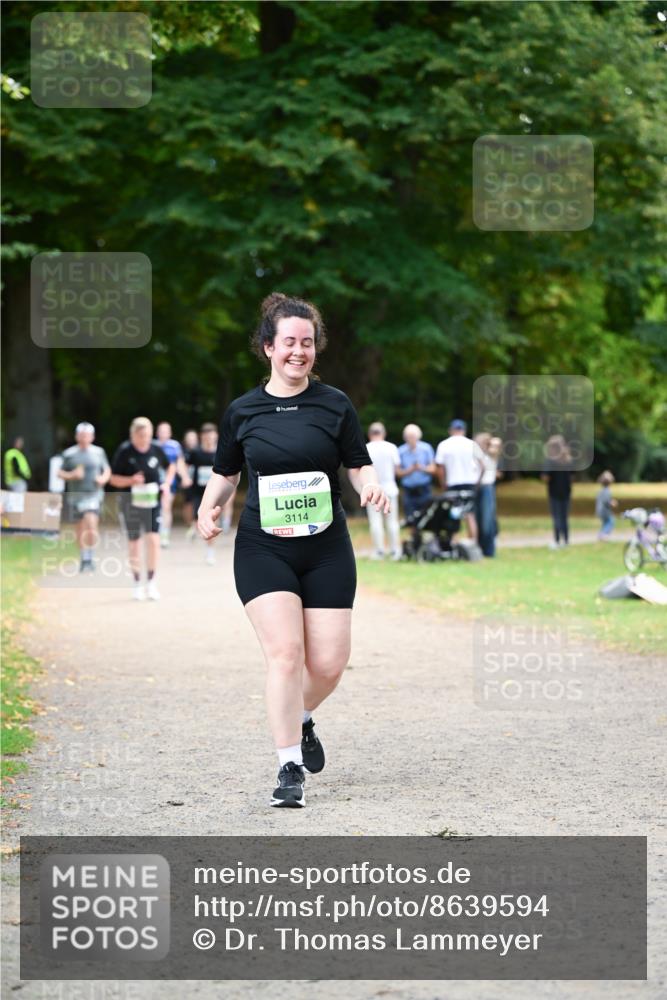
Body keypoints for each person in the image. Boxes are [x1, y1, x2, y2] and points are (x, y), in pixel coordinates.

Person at [197, 292, 389, 808]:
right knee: (286, 654)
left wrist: (370, 484)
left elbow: (357, 462)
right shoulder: (243, 410)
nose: (298, 351)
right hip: (264, 548)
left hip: (326, 548)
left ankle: (300, 716)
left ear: (315, 348)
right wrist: (208, 507)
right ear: (268, 347)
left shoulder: (335, 404)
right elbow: (226, 473)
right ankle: (288, 767)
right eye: (288, 342)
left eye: (307, 343)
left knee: (328, 664)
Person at [110, 417, 176, 600]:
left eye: (147, 435)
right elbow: (113, 479)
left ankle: (151, 582)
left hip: (152, 502)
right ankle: (137, 583)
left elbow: (171, 466)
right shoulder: (125, 451)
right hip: (130, 503)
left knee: (154, 540)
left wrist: (166, 484)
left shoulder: (156, 449)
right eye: (140, 436)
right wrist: (130, 480)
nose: (144, 439)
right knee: (135, 543)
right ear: (133, 435)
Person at [58, 422, 111, 572]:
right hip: (75, 496)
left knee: (91, 524)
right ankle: (84, 558)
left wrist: (102, 479)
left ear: (92, 437)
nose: (84, 438)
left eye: (87, 435)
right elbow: (59, 473)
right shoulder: (69, 454)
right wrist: (72, 475)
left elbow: (107, 470)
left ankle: (90, 556)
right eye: (81, 435)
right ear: (77, 436)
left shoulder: (98, 452)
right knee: (80, 527)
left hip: (93, 495)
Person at [434, 419, 485, 543]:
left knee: (453, 514)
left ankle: (453, 542)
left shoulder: (444, 445)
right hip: (470, 483)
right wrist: (478, 482)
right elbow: (483, 466)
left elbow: (440, 468)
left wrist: (443, 484)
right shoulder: (472, 444)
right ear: (464, 431)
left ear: (450, 430)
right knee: (470, 514)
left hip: (452, 483)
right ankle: (473, 542)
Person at [365, 421, 401, 560]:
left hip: (373, 489)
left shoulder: (367, 448)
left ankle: (379, 551)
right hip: (389, 488)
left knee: (375, 522)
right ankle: (394, 550)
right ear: (384, 433)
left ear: (369, 434)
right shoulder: (391, 447)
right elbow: (397, 469)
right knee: (392, 521)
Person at [155, 421, 191, 548]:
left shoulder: (174, 446)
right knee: (155, 508)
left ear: (169, 433)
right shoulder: (152, 445)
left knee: (165, 507)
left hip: (170, 482)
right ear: (157, 433)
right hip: (153, 482)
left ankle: (164, 535)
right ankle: (154, 533)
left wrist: (185, 477)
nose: (163, 434)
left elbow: (180, 462)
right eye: (161, 431)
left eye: (166, 431)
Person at [190, 423, 220, 565]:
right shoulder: (196, 453)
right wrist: (186, 477)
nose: (209, 438)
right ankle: (195, 528)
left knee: (212, 520)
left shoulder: (220, 452)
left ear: (216, 436)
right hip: (198, 493)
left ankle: (210, 551)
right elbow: (184, 463)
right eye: (206, 436)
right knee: (198, 520)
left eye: (211, 436)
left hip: (214, 493)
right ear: (202, 437)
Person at [396, 424, 435, 520]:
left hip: (424, 488)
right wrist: (410, 470)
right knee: (410, 516)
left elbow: (433, 469)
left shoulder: (426, 448)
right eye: (408, 436)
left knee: (426, 515)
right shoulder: (400, 451)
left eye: (413, 436)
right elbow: (398, 472)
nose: (411, 439)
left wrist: (421, 468)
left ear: (418, 436)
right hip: (408, 489)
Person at [541, 435, 573, 550]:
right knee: (564, 517)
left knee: (556, 517)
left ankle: (557, 541)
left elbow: (545, 477)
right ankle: (566, 541)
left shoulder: (550, 461)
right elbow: (572, 476)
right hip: (566, 492)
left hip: (554, 492)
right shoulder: (568, 460)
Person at [474, 432, 502, 558]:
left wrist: (489, 442)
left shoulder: (491, 454)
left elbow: (497, 443)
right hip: (477, 487)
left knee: (487, 519)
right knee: (478, 518)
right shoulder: (477, 455)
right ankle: (479, 547)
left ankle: (489, 550)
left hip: (486, 487)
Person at [182, 429, 199, 540]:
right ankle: (189, 525)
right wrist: (184, 477)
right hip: (188, 482)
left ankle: (195, 526)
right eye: (189, 439)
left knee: (198, 503)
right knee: (188, 503)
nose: (191, 441)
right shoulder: (183, 452)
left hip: (198, 483)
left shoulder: (200, 451)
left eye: (193, 439)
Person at [596, 470, 617, 541]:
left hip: (600, 510)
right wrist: (613, 503)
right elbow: (607, 501)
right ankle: (603, 534)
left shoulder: (601, 491)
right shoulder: (607, 491)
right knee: (611, 521)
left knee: (605, 523)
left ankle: (602, 534)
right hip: (605, 511)